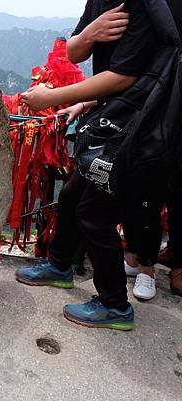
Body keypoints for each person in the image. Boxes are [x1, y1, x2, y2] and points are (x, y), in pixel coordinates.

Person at [15, 0, 181, 330]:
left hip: (144, 128)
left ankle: (115, 305)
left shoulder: (144, 4)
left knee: (94, 213)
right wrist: (90, 33)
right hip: (117, 121)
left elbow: (123, 76)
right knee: (73, 194)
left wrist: (52, 97)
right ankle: (60, 265)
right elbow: (74, 52)